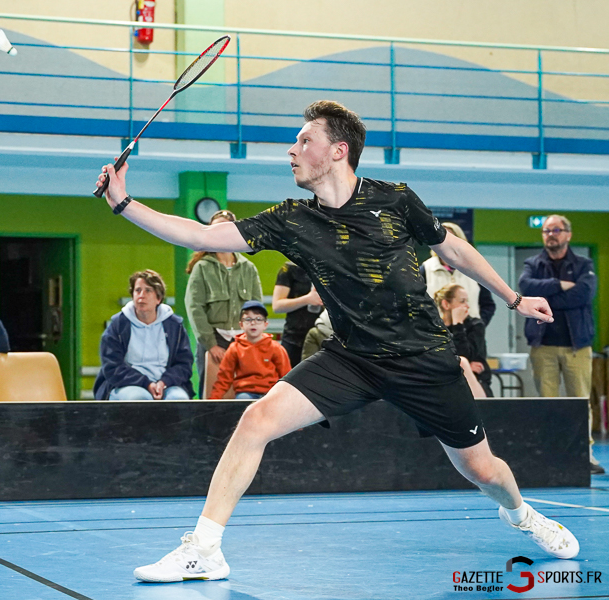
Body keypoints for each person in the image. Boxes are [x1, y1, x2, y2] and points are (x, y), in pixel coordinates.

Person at [96, 99, 578, 583]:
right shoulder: (292, 220)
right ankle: (204, 548)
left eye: (305, 140)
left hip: (424, 358)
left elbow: (451, 246)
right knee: (256, 419)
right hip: (351, 358)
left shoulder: (395, 200)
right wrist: (122, 203)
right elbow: (199, 234)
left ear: (338, 150)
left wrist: (514, 299)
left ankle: (521, 514)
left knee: (484, 472)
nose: (292, 150)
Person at [518, 215, 602, 474]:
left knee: (580, 401)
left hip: (577, 347)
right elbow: (524, 287)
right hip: (543, 346)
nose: (550, 234)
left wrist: (545, 299)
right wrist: (558, 285)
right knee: (548, 402)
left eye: (556, 230)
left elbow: (583, 294)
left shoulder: (583, 264)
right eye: (546, 231)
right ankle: (551, 453)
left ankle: (585, 455)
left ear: (568, 234)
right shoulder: (532, 263)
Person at [184, 210, 263, 397]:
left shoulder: (248, 268)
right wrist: (211, 344)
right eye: (214, 229)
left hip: (243, 343)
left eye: (224, 229)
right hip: (214, 342)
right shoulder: (202, 268)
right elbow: (195, 308)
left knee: (245, 394)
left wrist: (251, 340)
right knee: (212, 397)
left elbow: (256, 307)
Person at [94, 270, 194, 401]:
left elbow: (183, 365)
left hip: (166, 384)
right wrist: (146, 384)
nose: (142, 295)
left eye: (148, 291)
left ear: (158, 298)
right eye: (138, 290)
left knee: (179, 399)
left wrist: (163, 383)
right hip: (127, 384)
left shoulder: (175, 326)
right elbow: (112, 367)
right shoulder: (118, 325)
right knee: (140, 398)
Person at [209, 301, 291, 400]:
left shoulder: (275, 348)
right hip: (245, 393)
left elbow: (286, 376)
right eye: (248, 319)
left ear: (265, 324)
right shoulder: (234, 348)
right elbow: (224, 378)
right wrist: (213, 400)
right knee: (242, 401)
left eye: (258, 319)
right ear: (241, 325)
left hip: (270, 393)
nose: (253, 323)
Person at [420, 222, 496, 326]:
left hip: (470, 335)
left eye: (449, 239)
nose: (444, 243)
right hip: (436, 335)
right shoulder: (426, 269)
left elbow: (488, 304)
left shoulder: (475, 268)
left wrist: (478, 326)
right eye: (440, 239)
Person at [435, 284, 492, 398]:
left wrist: (458, 325)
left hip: (475, 382)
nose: (467, 306)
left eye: (467, 301)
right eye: (462, 301)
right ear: (446, 304)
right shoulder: (435, 329)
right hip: (445, 382)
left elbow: (467, 357)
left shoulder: (475, 325)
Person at [272, 261, 323, 368]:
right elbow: (277, 305)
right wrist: (307, 299)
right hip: (294, 338)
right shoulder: (289, 269)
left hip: (320, 337)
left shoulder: (325, 268)